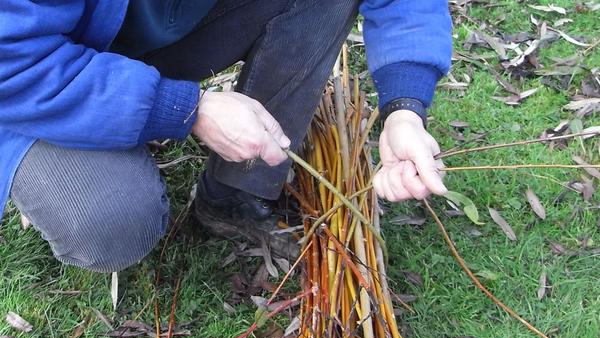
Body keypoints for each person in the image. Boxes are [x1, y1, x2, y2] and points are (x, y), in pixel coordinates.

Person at [0, 0, 452, 272]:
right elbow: (14, 62)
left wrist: (404, 109)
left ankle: (237, 190)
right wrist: (183, 108)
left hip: (144, 33)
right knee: (112, 223)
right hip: (30, 82)